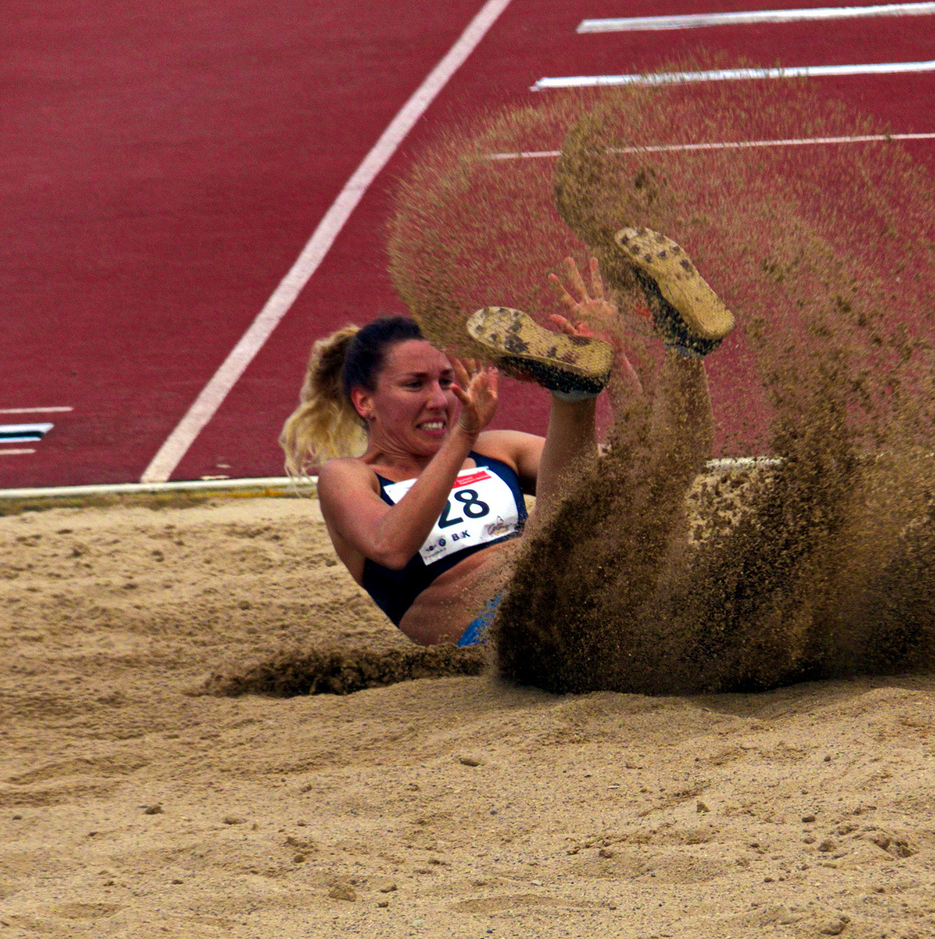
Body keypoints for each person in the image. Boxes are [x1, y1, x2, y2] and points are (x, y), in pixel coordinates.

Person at [279, 228, 734, 648]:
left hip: (583, 588)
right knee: (562, 549)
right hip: (504, 631)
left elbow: (633, 470)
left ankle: (681, 348)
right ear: (365, 402)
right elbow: (390, 547)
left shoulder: (495, 449)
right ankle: (572, 391)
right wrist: (464, 434)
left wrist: (617, 360)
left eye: (444, 379)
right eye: (415, 385)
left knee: (650, 479)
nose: (439, 399)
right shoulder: (350, 477)